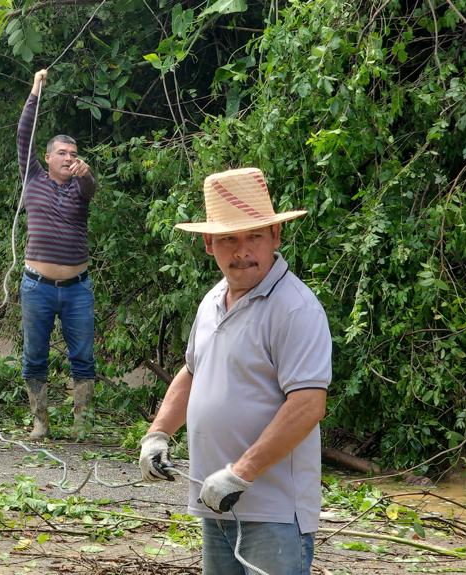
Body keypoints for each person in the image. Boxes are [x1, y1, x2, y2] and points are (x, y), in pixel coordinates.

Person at [138, 167, 331, 574]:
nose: (241, 250)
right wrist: (158, 434)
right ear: (209, 244)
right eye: (228, 238)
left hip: (273, 513)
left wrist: (241, 474)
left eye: (254, 236)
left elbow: (309, 404)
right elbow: (192, 372)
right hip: (217, 504)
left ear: (275, 237)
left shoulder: (295, 308)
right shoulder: (212, 300)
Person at [17, 69, 98, 440]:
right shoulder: (33, 178)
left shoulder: (81, 186)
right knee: (35, 355)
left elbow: (91, 188)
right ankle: (40, 421)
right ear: (47, 158)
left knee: (82, 356)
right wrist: (36, 89)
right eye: (62, 153)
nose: (69, 158)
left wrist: (86, 173)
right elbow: (24, 134)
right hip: (37, 286)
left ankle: (81, 422)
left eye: (74, 154)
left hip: (78, 288)